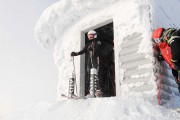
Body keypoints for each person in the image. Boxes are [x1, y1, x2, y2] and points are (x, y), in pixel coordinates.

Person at [71, 30, 102, 97]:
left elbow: (98, 49)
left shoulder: (97, 42)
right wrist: (76, 54)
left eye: (91, 36)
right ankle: (90, 91)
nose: (89, 37)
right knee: (89, 74)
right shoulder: (88, 44)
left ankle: (98, 90)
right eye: (89, 36)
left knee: (95, 73)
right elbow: (83, 51)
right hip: (89, 60)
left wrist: (93, 49)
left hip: (95, 59)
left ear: (95, 35)